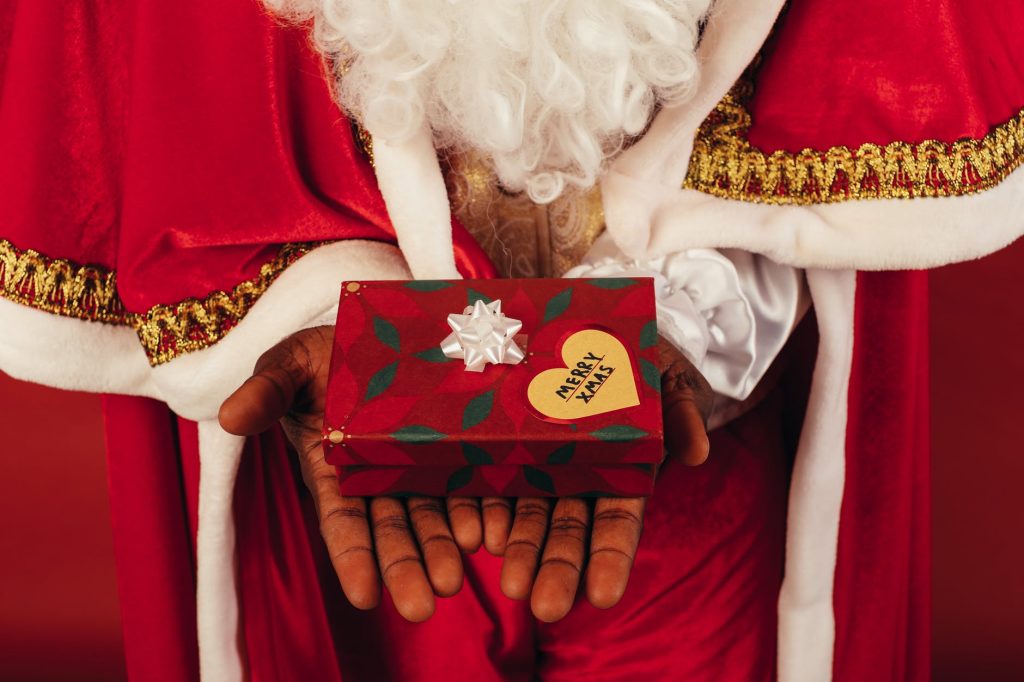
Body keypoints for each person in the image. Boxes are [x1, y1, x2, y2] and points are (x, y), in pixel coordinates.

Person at [1, 1, 1021, 680]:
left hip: (689, 453)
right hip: (350, 459)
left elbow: (832, 93)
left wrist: (680, 322)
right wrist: (321, 318)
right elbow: (183, 103)